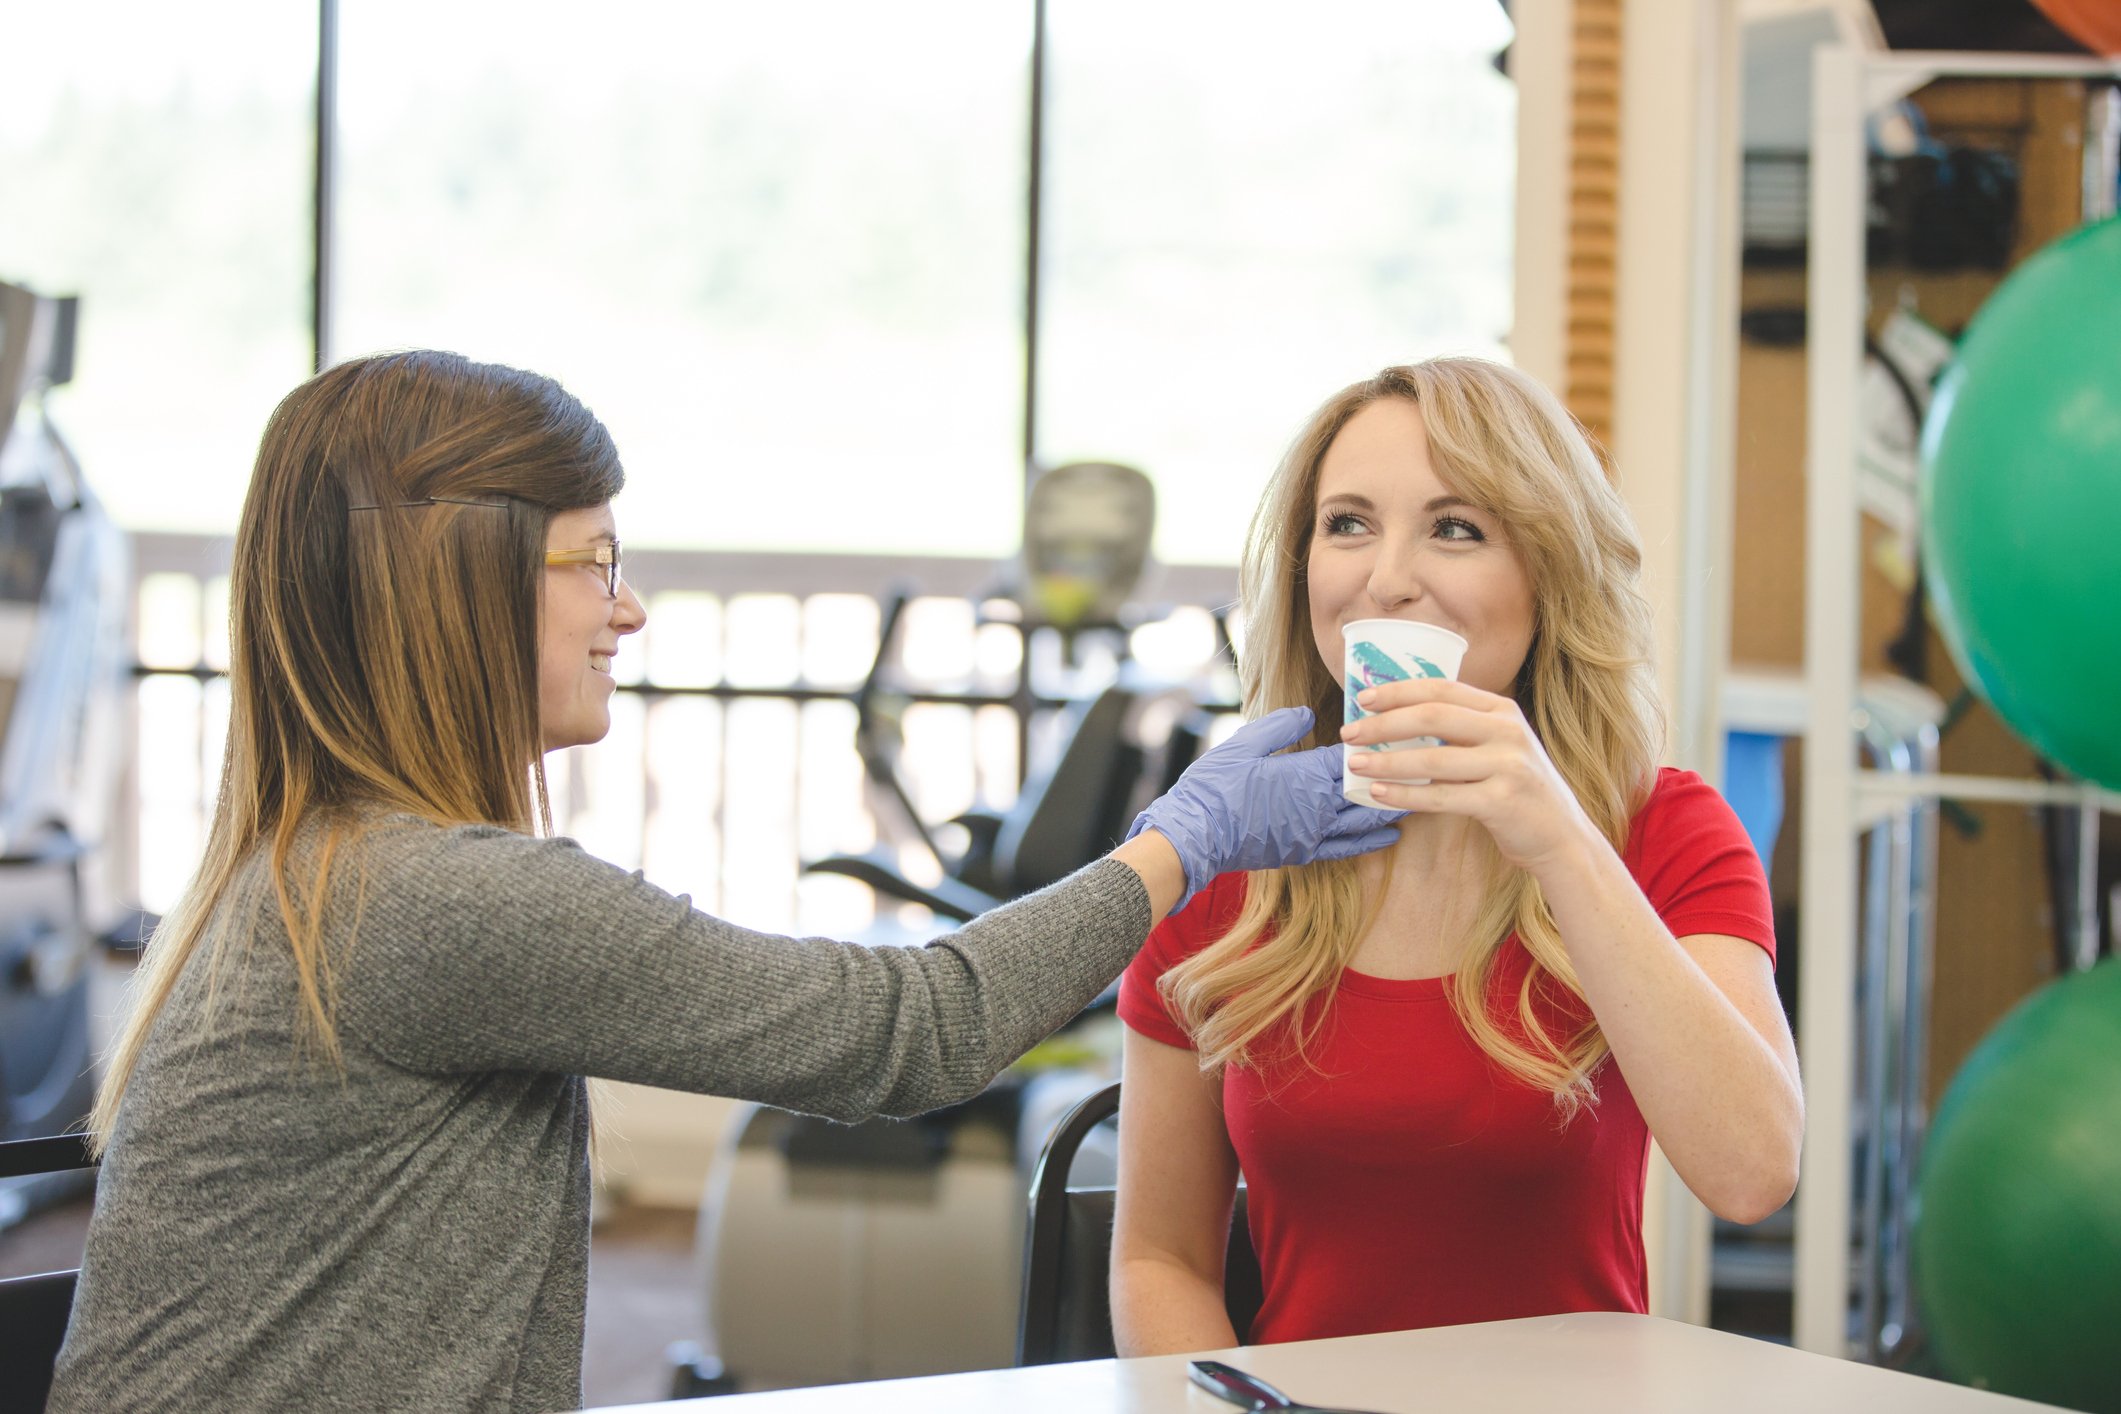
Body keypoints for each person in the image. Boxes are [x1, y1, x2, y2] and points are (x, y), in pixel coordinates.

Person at [47, 350, 1403, 1413]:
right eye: (597, 560)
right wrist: (1185, 839)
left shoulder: (310, 862)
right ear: (462, 583)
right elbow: (906, 1033)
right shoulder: (435, 903)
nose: (625, 609)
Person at [1109, 357, 1803, 1354]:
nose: (1386, 577)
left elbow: (1752, 1171)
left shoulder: (1660, 830)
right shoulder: (1224, 849)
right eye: (1346, 523)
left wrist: (1559, 836)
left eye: (1455, 528)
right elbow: (1159, 1259)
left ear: (1546, 574)